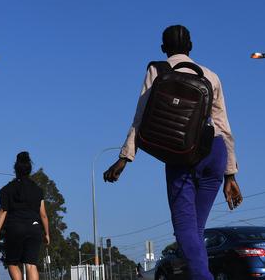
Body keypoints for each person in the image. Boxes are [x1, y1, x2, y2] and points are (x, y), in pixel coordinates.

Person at [103, 25, 243, 280]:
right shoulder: (211, 76)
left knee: (185, 230)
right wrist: (230, 175)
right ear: (191, 47)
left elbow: (141, 115)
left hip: (182, 153)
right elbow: (224, 126)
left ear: (163, 48)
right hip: (216, 152)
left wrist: (125, 158)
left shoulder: (157, 70)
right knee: (194, 231)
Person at [0, 152, 50, 280]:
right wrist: (46, 233)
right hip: (34, 228)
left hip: (15, 228)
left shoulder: (8, 189)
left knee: (12, 263)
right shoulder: (37, 189)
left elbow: (4, 211)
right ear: (29, 170)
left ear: (15, 170)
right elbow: (43, 215)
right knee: (31, 264)